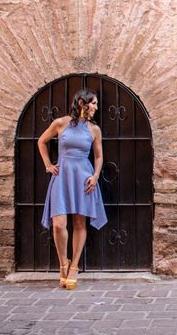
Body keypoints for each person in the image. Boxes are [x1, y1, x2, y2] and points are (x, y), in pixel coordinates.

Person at [39, 89, 108, 290]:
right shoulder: (60, 123)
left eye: (96, 104)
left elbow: (98, 156)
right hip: (61, 177)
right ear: (81, 102)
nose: (96, 107)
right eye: (93, 103)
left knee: (79, 222)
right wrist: (48, 165)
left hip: (83, 177)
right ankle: (63, 263)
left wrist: (95, 176)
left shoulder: (94, 129)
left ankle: (75, 266)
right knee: (58, 224)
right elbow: (41, 141)